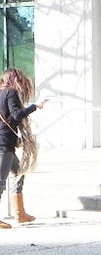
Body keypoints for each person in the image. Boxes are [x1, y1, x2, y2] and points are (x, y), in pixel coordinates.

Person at [0, 68, 47, 228]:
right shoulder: (10, 92)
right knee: (1, 181)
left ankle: (20, 213)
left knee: (19, 172)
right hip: (3, 144)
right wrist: (35, 106)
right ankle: (18, 214)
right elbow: (15, 115)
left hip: (5, 142)